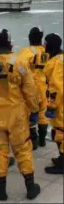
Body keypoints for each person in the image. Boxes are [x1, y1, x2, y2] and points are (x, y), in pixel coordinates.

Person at [0, 29, 41, 200]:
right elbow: (30, 91)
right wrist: (34, 110)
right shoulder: (19, 62)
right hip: (17, 115)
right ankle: (30, 187)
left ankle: (1, 189)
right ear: (10, 42)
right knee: (23, 148)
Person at [18, 27, 49, 150]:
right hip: (44, 88)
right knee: (43, 113)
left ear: (30, 37)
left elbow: (19, 70)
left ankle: (33, 141)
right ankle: (42, 140)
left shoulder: (25, 52)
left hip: (30, 89)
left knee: (29, 113)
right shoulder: (47, 51)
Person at [43, 33, 63, 174]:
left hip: (60, 104)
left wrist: (51, 105)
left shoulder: (57, 62)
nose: (44, 46)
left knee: (60, 131)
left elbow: (56, 86)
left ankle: (62, 164)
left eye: (46, 43)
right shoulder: (60, 58)